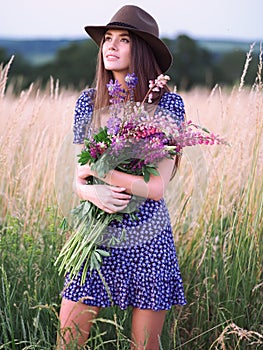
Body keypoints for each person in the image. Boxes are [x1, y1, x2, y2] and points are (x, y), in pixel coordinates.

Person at [58, 5, 186, 350]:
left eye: (123, 40)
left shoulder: (168, 107)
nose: (110, 46)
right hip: (95, 235)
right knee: (69, 342)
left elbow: (156, 187)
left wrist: (105, 172)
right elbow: (80, 175)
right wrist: (90, 194)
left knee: (144, 347)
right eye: (107, 39)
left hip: (148, 236)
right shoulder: (89, 102)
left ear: (141, 49)